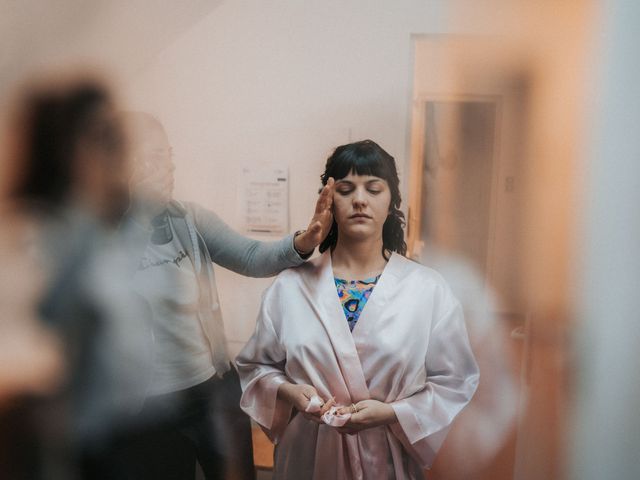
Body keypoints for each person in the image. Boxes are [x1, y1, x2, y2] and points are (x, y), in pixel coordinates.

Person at [236, 139, 479, 479]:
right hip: (307, 457)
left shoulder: (427, 289)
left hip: (386, 461)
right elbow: (256, 367)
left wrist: (394, 412)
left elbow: (455, 381)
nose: (360, 200)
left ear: (391, 199)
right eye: (346, 189)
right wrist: (290, 392)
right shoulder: (289, 287)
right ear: (328, 200)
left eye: (373, 188)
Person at [118, 112, 335, 480]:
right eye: (154, 157)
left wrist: (305, 241)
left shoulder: (190, 220)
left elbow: (251, 257)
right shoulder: (107, 234)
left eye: (167, 154)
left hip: (213, 392)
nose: (169, 166)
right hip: (150, 406)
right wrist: (138, 213)